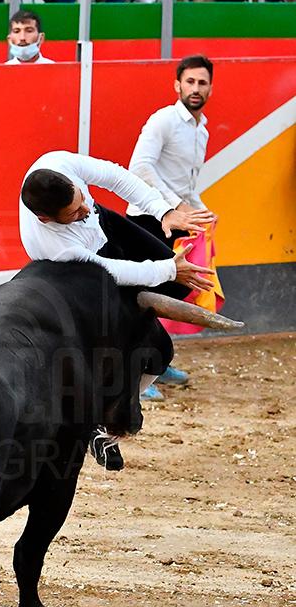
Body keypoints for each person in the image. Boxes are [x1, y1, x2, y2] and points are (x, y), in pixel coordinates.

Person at [20, 150, 215, 470]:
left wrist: (162, 211)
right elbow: (110, 271)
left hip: (107, 227)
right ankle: (99, 419)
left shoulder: (57, 164)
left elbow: (115, 175)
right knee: (159, 349)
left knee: (180, 286)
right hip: (85, 278)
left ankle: (112, 401)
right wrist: (165, 269)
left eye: (81, 197)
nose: (84, 208)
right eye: (73, 212)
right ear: (46, 218)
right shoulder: (51, 247)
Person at [126, 55, 215, 399]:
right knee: (141, 298)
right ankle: (134, 374)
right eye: (190, 82)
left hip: (175, 220)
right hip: (148, 220)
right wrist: (173, 207)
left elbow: (188, 185)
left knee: (164, 295)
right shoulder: (163, 120)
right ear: (177, 85)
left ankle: (155, 364)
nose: (195, 88)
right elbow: (140, 166)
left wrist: (202, 212)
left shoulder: (201, 128)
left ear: (210, 87)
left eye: (202, 83)